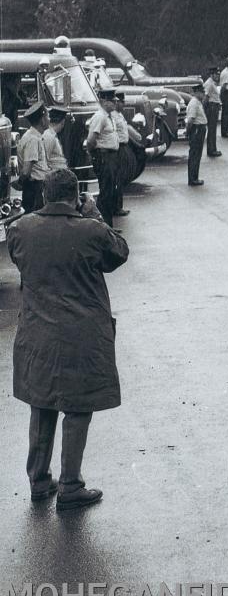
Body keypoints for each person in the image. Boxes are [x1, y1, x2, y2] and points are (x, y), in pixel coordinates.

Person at [7, 168, 129, 511]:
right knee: (77, 408)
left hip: (37, 334)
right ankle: (71, 485)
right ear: (75, 196)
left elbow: (21, 260)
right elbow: (119, 252)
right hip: (80, 336)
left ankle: (39, 480)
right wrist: (94, 214)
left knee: (42, 404)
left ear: (45, 195)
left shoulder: (20, 229)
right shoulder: (90, 230)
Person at [85, 89, 121, 227]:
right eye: (112, 101)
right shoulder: (100, 117)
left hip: (111, 156)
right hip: (104, 156)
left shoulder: (108, 117)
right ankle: (104, 225)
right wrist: (94, 154)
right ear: (105, 101)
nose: (115, 103)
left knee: (110, 191)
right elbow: (91, 139)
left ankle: (108, 224)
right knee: (106, 192)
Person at [16, 103, 50, 212]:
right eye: (48, 116)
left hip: (34, 187)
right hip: (35, 189)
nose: (50, 119)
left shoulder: (32, 136)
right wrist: (20, 183)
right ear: (42, 120)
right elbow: (26, 171)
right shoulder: (33, 139)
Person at [184, 83, 207, 186]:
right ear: (197, 92)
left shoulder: (197, 102)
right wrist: (188, 131)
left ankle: (194, 177)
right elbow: (191, 120)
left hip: (199, 129)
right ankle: (192, 179)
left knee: (197, 154)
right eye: (202, 92)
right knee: (194, 155)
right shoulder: (194, 103)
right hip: (197, 129)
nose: (203, 94)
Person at [203, 66, 223, 157]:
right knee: (211, 129)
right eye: (216, 74)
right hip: (211, 107)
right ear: (212, 74)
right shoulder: (209, 83)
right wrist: (203, 109)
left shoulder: (212, 83)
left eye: (218, 74)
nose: (217, 76)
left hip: (214, 106)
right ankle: (211, 150)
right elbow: (206, 97)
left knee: (213, 129)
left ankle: (213, 149)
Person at [42, 106, 69, 171]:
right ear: (63, 122)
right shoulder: (49, 135)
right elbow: (45, 160)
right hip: (55, 174)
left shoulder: (52, 134)